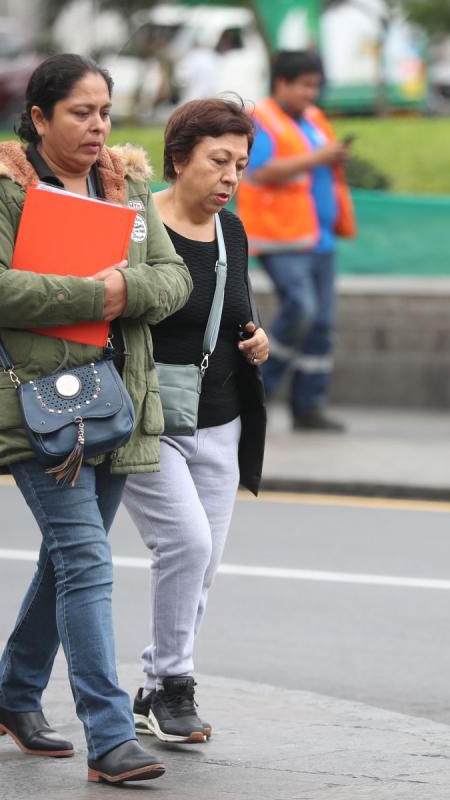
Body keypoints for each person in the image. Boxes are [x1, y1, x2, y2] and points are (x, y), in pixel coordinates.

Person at [0, 54, 192, 783]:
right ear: (39, 118)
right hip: (42, 414)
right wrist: (94, 296)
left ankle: (13, 696)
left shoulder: (128, 185)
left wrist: (125, 287)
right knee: (87, 560)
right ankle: (111, 737)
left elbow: (173, 278)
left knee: (65, 560)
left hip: (119, 407)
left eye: (105, 112)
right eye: (80, 113)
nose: (97, 126)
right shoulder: (1, 188)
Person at [122, 97, 268, 744]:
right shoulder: (134, 224)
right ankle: (175, 684)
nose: (231, 176)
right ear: (179, 158)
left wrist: (256, 339)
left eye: (240, 163)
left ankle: (154, 686)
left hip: (221, 418)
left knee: (202, 562)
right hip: (150, 415)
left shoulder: (230, 230)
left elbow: (235, 311)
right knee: (186, 545)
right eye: (218, 161)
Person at [237, 50, 356, 433]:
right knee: (301, 310)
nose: (311, 93)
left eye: (316, 86)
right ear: (281, 84)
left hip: (319, 237)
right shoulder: (263, 119)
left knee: (322, 324)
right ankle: (259, 388)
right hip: (282, 236)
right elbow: (259, 170)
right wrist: (317, 157)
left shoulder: (315, 119)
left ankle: (309, 405)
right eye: (304, 85)